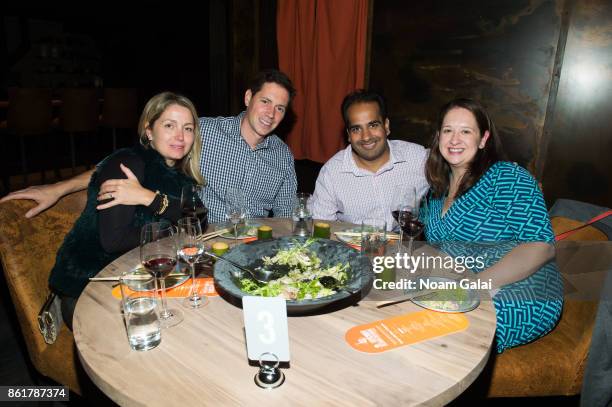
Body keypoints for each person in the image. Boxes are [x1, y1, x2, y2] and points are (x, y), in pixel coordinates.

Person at [1, 69, 298, 223]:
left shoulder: (283, 156)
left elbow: (286, 216)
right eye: (265, 101)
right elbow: (129, 162)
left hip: (253, 248)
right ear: (248, 98)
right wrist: (59, 188)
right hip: (202, 242)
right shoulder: (203, 131)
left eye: (281, 109)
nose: (271, 114)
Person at [49, 92, 204, 329]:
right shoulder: (126, 165)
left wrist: (148, 197)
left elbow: (198, 222)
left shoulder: (180, 176)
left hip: (142, 281)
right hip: (90, 286)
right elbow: (114, 241)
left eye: (188, 128)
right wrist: (174, 227)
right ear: (149, 130)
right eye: (169, 125)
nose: (180, 136)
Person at [423, 97, 563, 353]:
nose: (455, 139)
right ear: (438, 137)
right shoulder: (434, 194)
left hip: (521, 289)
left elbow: (541, 247)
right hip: (460, 284)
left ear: (483, 139)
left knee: (442, 331)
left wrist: (472, 286)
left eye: (466, 131)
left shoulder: (506, 176)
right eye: (448, 131)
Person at [310, 89, 429, 229]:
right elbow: (322, 228)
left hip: (403, 248)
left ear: (386, 126)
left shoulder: (417, 158)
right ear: (348, 135)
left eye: (373, 125)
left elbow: (454, 177)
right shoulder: (332, 173)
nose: (366, 136)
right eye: (356, 129)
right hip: (352, 249)